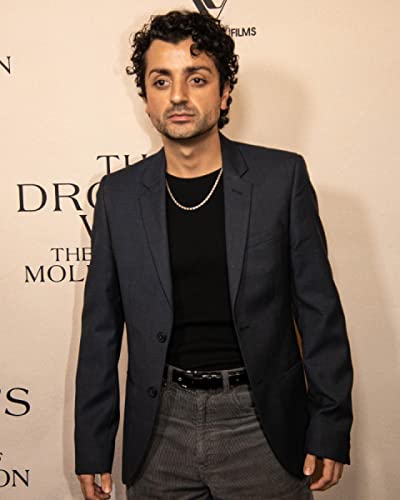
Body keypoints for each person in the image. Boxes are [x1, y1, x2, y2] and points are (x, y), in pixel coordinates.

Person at [74, 9, 354, 500]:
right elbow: (100, 330)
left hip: (262, 426)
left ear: (224, 93)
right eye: (161, 81)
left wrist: (330, 424)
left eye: (197, 78)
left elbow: (319, 313)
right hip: (159, 430)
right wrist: (94, 446)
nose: (178, 95)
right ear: (146, 98)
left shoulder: (280, 179)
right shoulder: (118, 196)